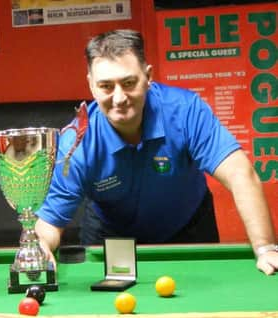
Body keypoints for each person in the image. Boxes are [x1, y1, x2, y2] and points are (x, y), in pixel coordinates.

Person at [35, 29, 278, 275]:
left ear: (148, 76)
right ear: (90, 84)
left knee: (198, 300)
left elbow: (240, 174)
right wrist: (40, 248)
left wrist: (265, 248)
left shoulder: (185, 110)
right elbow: (50, 222)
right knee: (109, 308)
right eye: (106, 86)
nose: (119, 98)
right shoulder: (77, 141)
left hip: (188, 227)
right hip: (111, 234)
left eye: (129, 83)